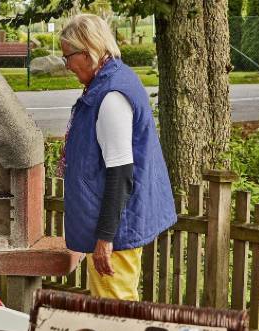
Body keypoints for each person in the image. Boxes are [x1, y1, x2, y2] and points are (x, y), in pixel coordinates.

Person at [58, 14, 177, 301]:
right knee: (112, 308)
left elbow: (122, 172)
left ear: (87, 52)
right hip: (114, 225)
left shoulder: (111, 96)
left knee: (115, 313)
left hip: (116, 230)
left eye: (68, 57)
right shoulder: (110, 80)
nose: (67, 65)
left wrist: (105, 239)